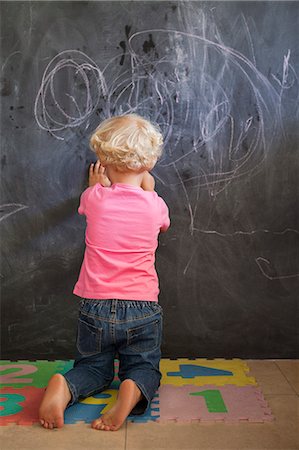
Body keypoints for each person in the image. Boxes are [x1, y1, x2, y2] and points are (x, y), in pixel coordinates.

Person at [39, 114, 170, 431]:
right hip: (142, 306)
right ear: (150, 162)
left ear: (103, 160)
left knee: (94, 367)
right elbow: (163, 225)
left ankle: (65, 388)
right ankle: (133, 387)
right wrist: (149, 188)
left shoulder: (94, 198)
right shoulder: (155, 205)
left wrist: (97, 186)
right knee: (143, 366)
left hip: (95, 305)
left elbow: (90, 203)